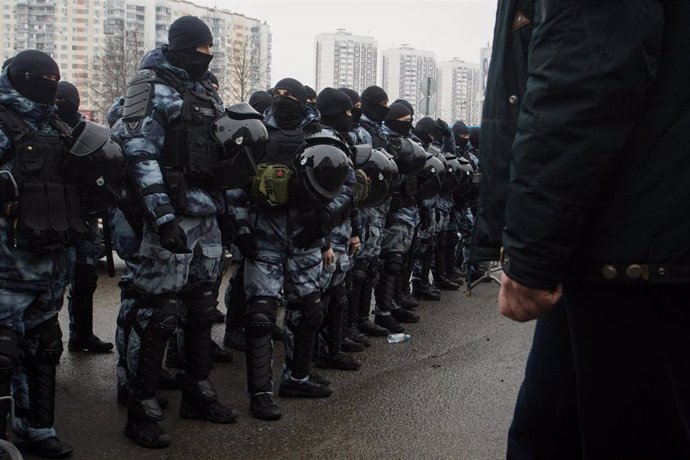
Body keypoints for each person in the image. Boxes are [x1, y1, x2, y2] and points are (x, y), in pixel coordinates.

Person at [484, 1, 690, 458]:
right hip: (627, 245)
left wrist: (531, 253)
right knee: (546, 433)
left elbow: (584, 77)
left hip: (633, 254)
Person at [113, 16, 241, 448]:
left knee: (202, 308)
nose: (207, 58)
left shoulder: (207, 93)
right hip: (166, 216)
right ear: (182, 48)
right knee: (159, 314)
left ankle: (197, 393)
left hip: (205, 213)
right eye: (200, 50)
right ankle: (141, 409)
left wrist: (228, 211)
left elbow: (219, 154)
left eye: (211, 51)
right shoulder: (150, 88)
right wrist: (162, 217)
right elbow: (138, 155)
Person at [237, 78, 349, 420]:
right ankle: (260, 394)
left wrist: (325, 220)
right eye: (277, 94)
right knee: (260, 317)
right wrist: (241, 229)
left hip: (305, 238)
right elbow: (233, 183)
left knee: (310, 310)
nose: (282, 99)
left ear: (303, 101)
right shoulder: (254, 133)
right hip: (265, 239)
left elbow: (348, 183)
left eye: (290, 95)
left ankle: (297, 377)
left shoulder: (322, 136)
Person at [55, 81, 116, 354]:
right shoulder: (45, 128)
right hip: (53, 217)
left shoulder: (84, 131)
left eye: (65, 99)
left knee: (86, 277)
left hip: (85, 218)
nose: (61, 104)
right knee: (52, 282)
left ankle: (81, 335)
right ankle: (48, 339)